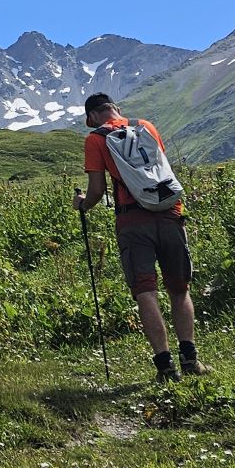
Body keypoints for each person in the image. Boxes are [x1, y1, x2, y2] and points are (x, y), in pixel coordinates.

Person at [74, 92, 209, 382]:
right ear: (116, 109)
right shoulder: (146, 126)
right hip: (170, 211)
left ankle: (165, 367)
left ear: (93, 117)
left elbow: (97, 190)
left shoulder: (96, 139)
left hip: (133, 220)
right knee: (179, 287)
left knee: (146, 291)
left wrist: (83, 204)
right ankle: (190, 360)